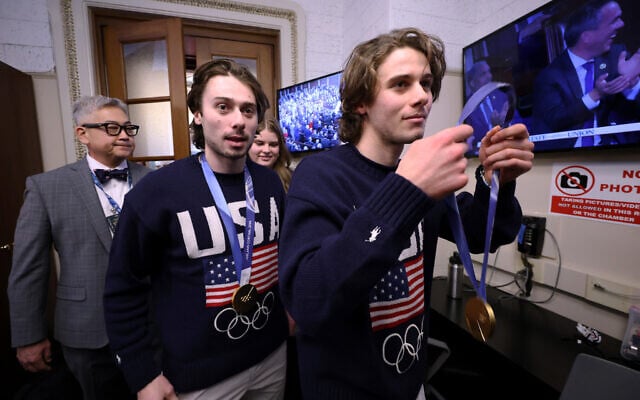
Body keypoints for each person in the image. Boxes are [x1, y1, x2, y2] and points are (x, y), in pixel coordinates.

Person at [278, 27, 534, 400]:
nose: (423, 97)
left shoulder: (416, 174)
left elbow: (484, 234)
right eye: (401, 85)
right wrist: (405, 190)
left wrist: (497, 182)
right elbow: (308, 301)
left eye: (426, 84)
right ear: (361, 102)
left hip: (410, 383)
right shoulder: (320, 175)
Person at [103, 58, 289, 399]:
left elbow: (283, 259)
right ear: (198, 114)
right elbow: (123, 288)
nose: (238, 120)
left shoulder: (270, 183)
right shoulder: (156, 192)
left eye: (248, 110)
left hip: (271, 356)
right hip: (200, 377)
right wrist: (142, 374)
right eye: (223, 107)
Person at [7, 95, 150, 400]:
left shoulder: (156, 181)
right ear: (82, 134)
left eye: (128, 128)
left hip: (154, 325)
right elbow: (29, 269)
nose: (125, 135)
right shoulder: (46, 187)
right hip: (87, 331)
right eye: (112, 128)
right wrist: (28, 336)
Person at [531, 0, 640, 149]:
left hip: (616, 150)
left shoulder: (617, 56)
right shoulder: (549, 76)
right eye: (613, 21)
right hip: (567, 155)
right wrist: (595, 94)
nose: (621, 24)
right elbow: (555, 120)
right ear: (587, 37)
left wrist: (633, 83)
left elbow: (630, 113)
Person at [463, 60, 513, 154]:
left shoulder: (502, 97)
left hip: (507, 152)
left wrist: (506, 122)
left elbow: (520, 123)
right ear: (472, 83)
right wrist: (493, 126)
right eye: (483, 74)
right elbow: (472, 141)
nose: (489, 76)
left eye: (489, 72)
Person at [249, 117, 294, 192]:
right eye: (260, 143)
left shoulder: (293, 179)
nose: (266, 150)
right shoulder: (236, 180)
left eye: (273, 145)